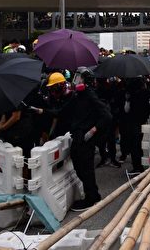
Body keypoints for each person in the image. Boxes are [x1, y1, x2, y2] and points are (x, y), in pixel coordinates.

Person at [59, 67, 111, 211]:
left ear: (85, 80)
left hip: (85, 139)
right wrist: (41, 111)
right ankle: (93, 195)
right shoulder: (77, 95)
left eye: (78, 77)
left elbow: (107, 116)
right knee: (79, 168)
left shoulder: (89, 95)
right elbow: (62, 111)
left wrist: (93, 130)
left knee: (86, 169)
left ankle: (92, 198)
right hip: (77, 137)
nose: (75, 79)